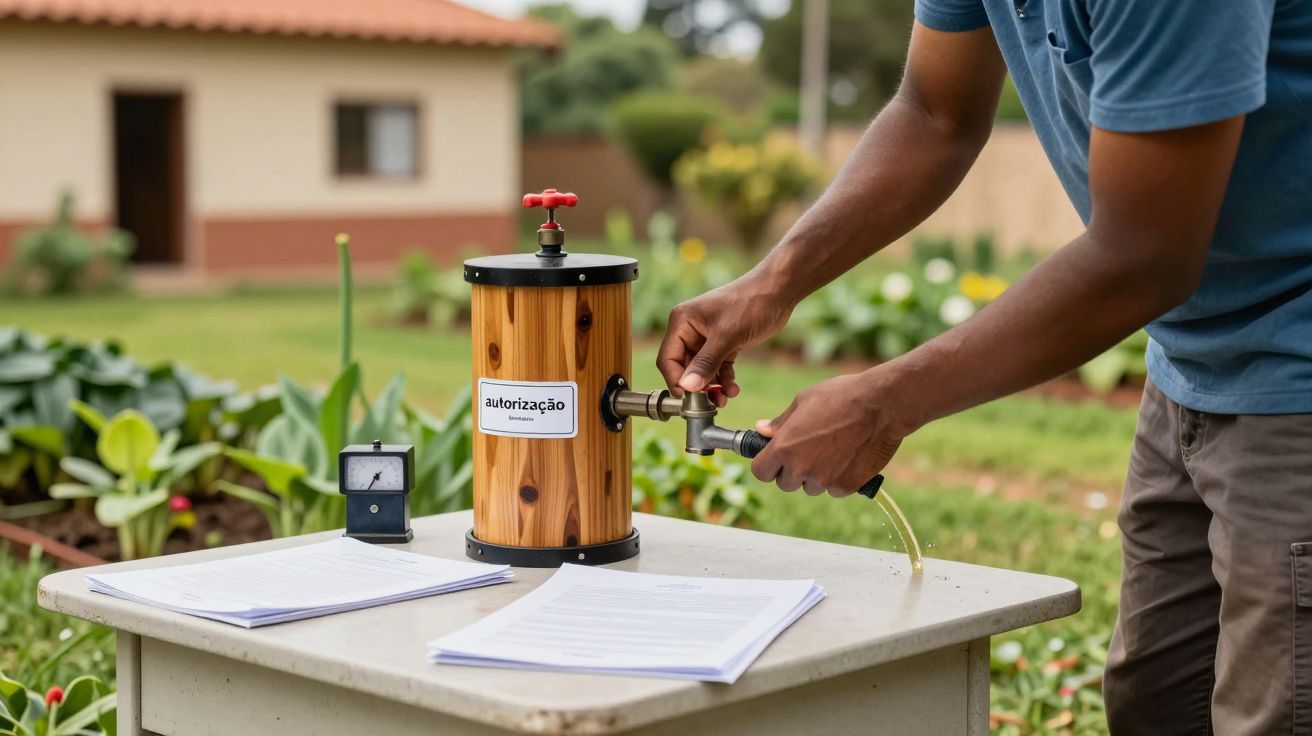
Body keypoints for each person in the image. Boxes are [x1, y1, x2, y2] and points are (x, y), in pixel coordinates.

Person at [657, 2, 1312, 733]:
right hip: (1191, 355)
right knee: (1157, 704)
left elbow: (1144, 257)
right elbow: (934, 110)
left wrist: (882, 403)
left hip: (1297, 356)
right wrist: (770, 284)